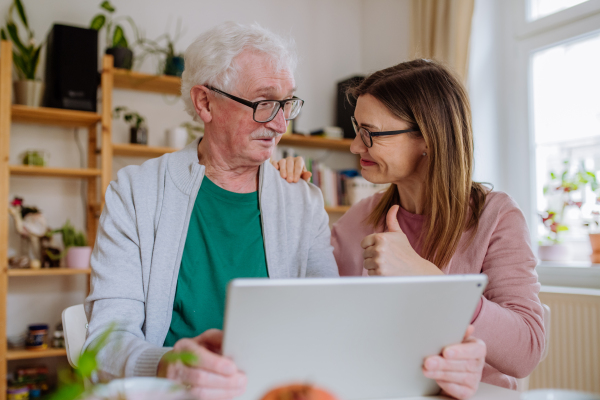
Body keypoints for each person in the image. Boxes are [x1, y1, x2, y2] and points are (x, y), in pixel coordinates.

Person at [85, 22, 485, 400]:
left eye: (287, 104)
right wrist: (166, 365)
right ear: (204, 102)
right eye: (264, 103)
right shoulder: (135, 192)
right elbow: (106, 339)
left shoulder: (301, 201)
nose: (280, 125)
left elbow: (330, 324)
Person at [274, 59, 545, 395]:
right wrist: (286, 201)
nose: (356, 146)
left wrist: (430, 279)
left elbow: (527, 351)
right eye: (357, 130)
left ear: (428, 139)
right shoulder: (362, 217)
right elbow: (307, 305)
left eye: (370, 133)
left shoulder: (497, 217)